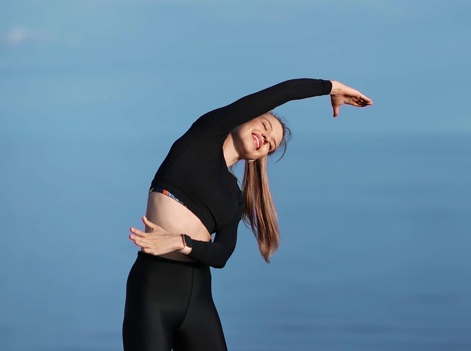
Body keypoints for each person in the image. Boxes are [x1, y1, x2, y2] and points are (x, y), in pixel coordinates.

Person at [122, 78, 373, 351]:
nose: (265, 138)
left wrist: (181, 242)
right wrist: (332, 87)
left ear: (258, 157)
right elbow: (284, 92)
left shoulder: (234, 196)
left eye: (270, 145)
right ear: (244, 118)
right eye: (265, 126)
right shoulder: (201, 139)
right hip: (153, 290)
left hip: (198, 301)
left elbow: (222, 254)